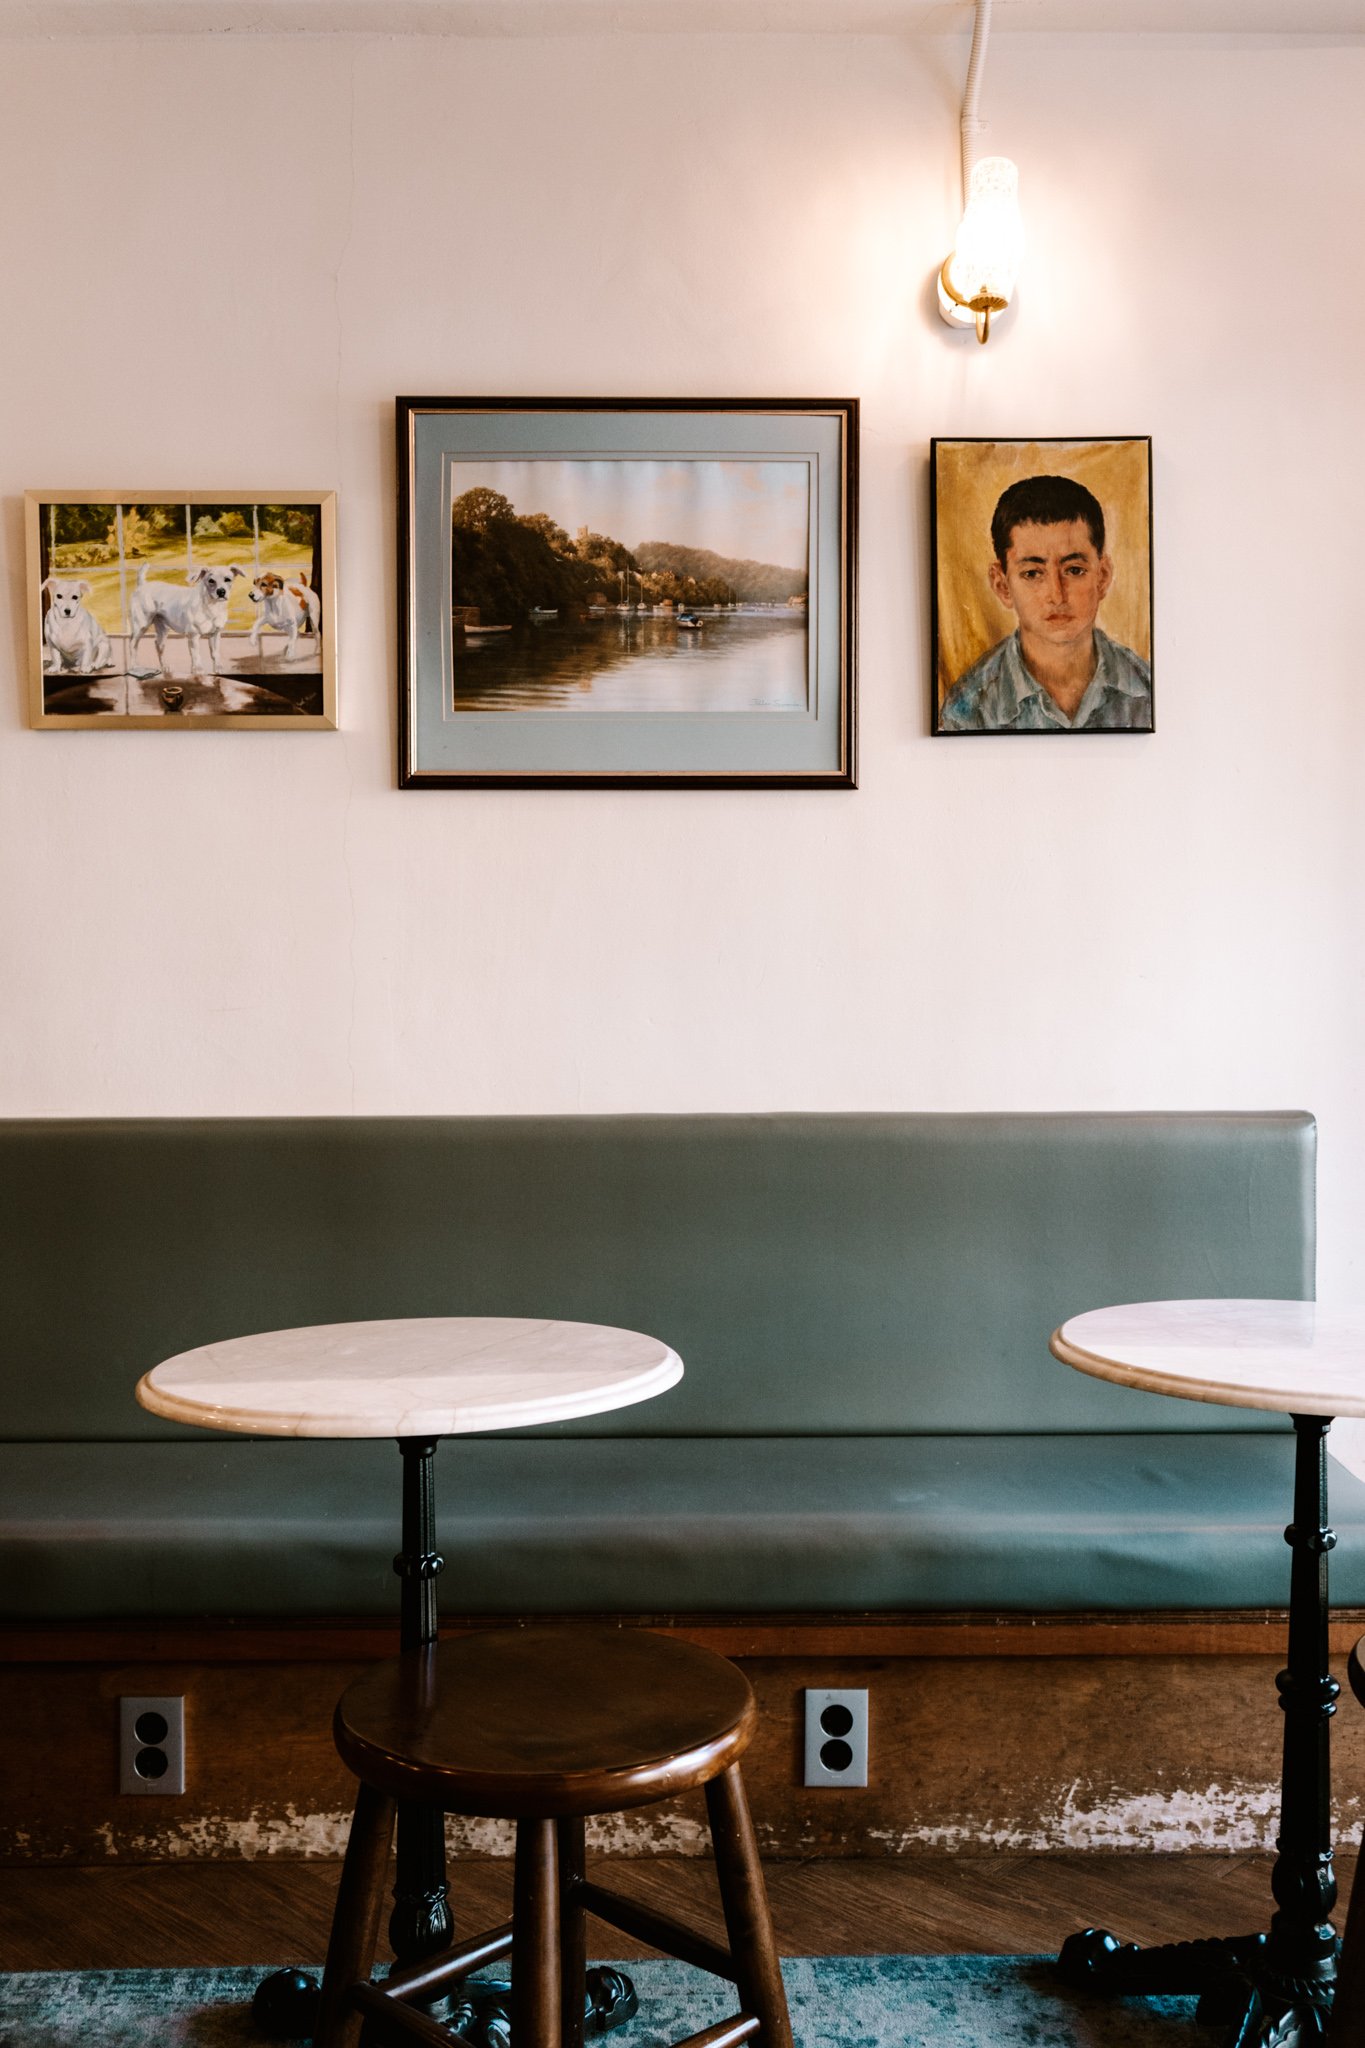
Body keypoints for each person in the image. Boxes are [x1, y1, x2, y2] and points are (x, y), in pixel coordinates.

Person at [938, 474, 1152, 733]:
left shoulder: (1148, 689)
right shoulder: (968, 710)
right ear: (1002, 585)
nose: (1057, 595)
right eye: (1032, 573)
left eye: (1074, 570)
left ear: (1103, 576)